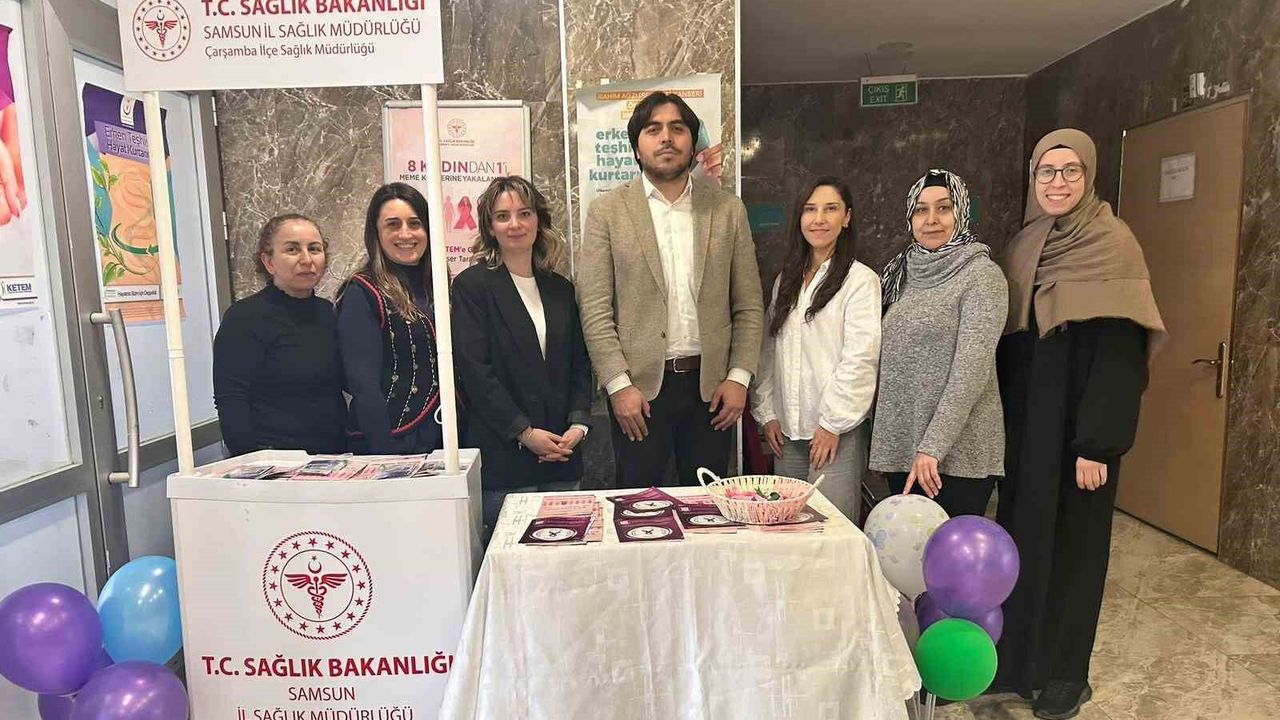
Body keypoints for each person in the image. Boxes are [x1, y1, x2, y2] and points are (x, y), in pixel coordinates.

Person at [994, 129, 1166, 719]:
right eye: (1047, 171)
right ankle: (1019, 664)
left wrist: (1098, 444)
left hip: (1079, 436)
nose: (1058, 182)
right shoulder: (1024, 244)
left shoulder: (1113, 245)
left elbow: (1120, 359)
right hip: (1029, 431)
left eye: (1071, 171)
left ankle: (1066, 674)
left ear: (1089, 176)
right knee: (1024, 540)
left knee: (1075, 550)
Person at [577, 91, 764, 487]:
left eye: (677, 128)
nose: (666, 138)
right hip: (638, 395)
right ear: (636, 146)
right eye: (653, 129)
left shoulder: (728, 210)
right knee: (639, 507)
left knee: (710, 505)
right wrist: (618, 386)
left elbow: (748, 305)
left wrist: (739, 377)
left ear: (692, 143)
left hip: (712, 392)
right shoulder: (607, 212)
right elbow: (594, 308)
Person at [452, 176, 593, 532]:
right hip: (506, 457)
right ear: (490, 227)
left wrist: (578, 425)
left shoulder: (561, 289)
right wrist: (525, 433)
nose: (514, 224)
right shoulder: (472, 286)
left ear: (538, 220)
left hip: (562, 452)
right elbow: (475, 371)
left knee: (566, 554)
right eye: (503, 216)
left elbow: (579, 363)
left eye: (524, 213)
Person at [869, 169, 1008, 517]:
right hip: (904, 446)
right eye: (921, 210)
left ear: (961, 212)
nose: (931, 219)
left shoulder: (981, 275)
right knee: (908, 550)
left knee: (947, 550)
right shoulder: (900, 272)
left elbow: (971, 372)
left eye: (944, 208)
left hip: (957, 454)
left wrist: (933, 446)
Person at [751, 176, 880, 521]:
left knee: (830, 528)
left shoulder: (860, 281)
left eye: (830, 209)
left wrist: (832, 423)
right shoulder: (787, 279)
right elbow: (768, 351)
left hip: (834, 432)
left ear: (847, 218)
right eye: (810, 210)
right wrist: (768, 413)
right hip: (787, 429)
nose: (819, 219)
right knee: (787, 527)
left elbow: (860, 358)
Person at [213, 214, 346, 456]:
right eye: (292, 249)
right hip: (275, 461)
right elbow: (231, 399)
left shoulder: (330, 313)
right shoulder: (244, 318)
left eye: (314, 249)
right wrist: (254, 461)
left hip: (333, 458)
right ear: (269, 262)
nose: (307, 259)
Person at [337, 182, 445, 454]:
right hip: (391, 440)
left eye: (415, 223)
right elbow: (363, 387)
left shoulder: (441, 286)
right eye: (393, 225)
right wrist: (386, 458)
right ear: (376, 234)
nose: (406, 234)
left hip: (446, 436)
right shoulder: (362, 292)